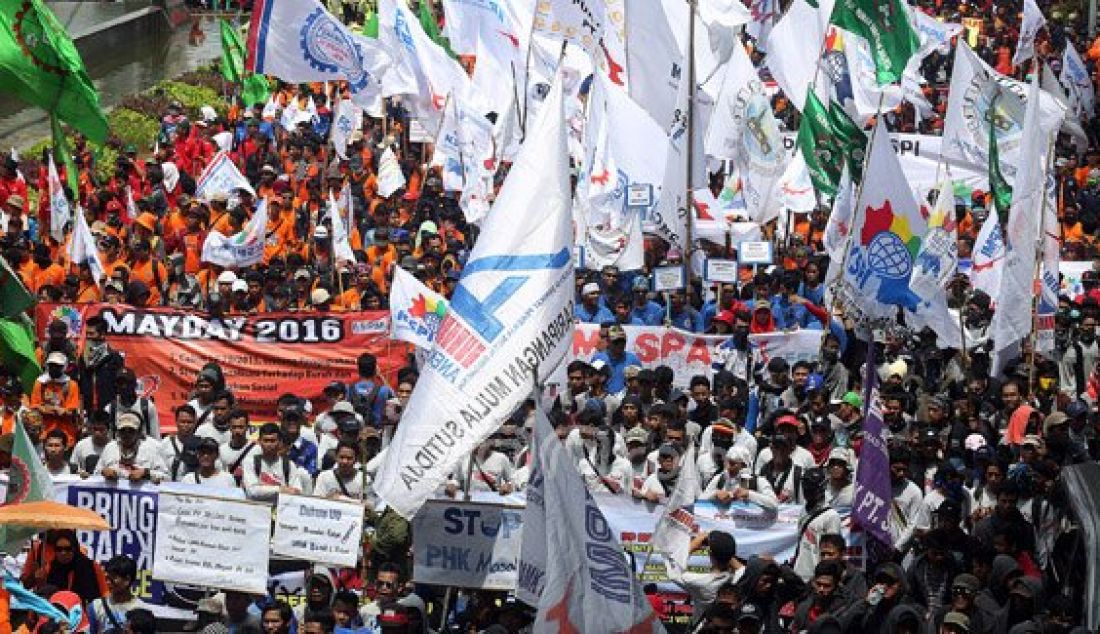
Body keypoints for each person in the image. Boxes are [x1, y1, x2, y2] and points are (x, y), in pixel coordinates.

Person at [792, 468, 843, 582]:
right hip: (798, 575)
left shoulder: (831, 516)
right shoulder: (804, 510)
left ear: (822, 487)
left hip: (816, 580)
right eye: (805, 486)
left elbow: (832, 554)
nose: (807, 490)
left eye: (811, 487)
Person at [242, 423, 311, 501]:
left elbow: (296, 492)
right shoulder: (250, 463)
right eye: (266, 440)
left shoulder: (289, 465)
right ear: (259, 441)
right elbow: (252, 492)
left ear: (279, 442)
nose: (269, 444)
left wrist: (263, 490)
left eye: (272, 441)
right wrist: (280, 489)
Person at [94, 412, 166, 483]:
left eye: (131, 431)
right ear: (118, 432)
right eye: (123, 431)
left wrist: (146, 473)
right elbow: (95, 475)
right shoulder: (110, 448)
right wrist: (104, 472)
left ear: (139, 432)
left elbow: (166, 477)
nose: (126, 434)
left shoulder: (150, 449)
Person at [30, 351, 81, 446]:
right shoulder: (40, 383)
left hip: (65, 433)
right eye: (51, 365)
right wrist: (44, 409)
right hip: (44, 432)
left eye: (58, 366)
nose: (54, 368)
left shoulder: (71, 385)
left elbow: (73, 410)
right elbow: (34, 405)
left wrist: (63, 411)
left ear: (64, 367)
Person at [88, 555, 148, 634]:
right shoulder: (96, 606)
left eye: (112, 578)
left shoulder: (141, 609)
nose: (108, 582)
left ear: (127, 580)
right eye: (106, 578)